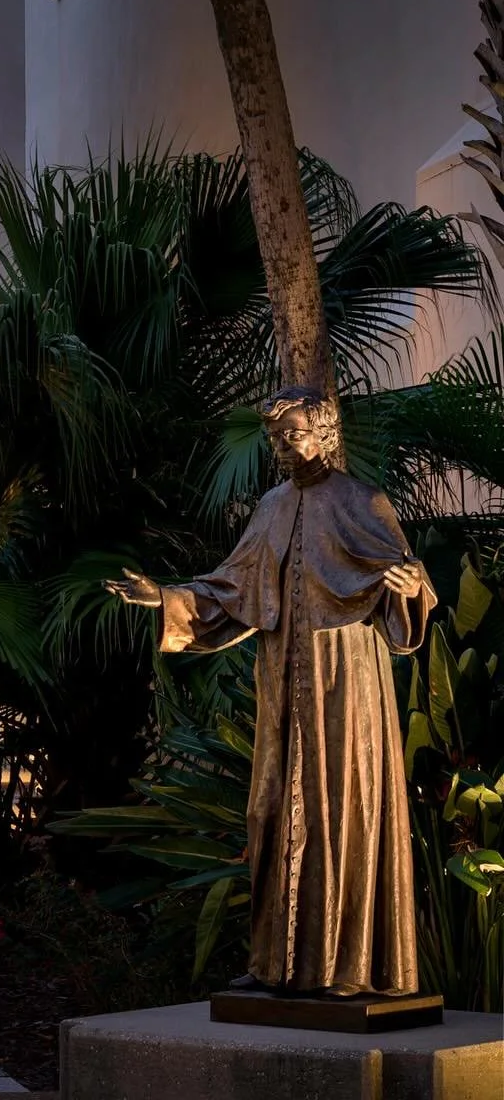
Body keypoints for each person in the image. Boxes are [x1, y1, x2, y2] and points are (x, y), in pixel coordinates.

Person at [104, 387, 433, 998]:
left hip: (344, 678)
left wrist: (411, 586)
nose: (284, 446)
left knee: (341, 806)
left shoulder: (365, 501)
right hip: (282, 677)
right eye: (277, 438)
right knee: (273, 810)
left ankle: (348, 967)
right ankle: (277, 965)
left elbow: (405, 585)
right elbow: (233, 590)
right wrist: (165, 597)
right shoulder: (272, 505)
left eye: (294, 434)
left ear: (324, 433)